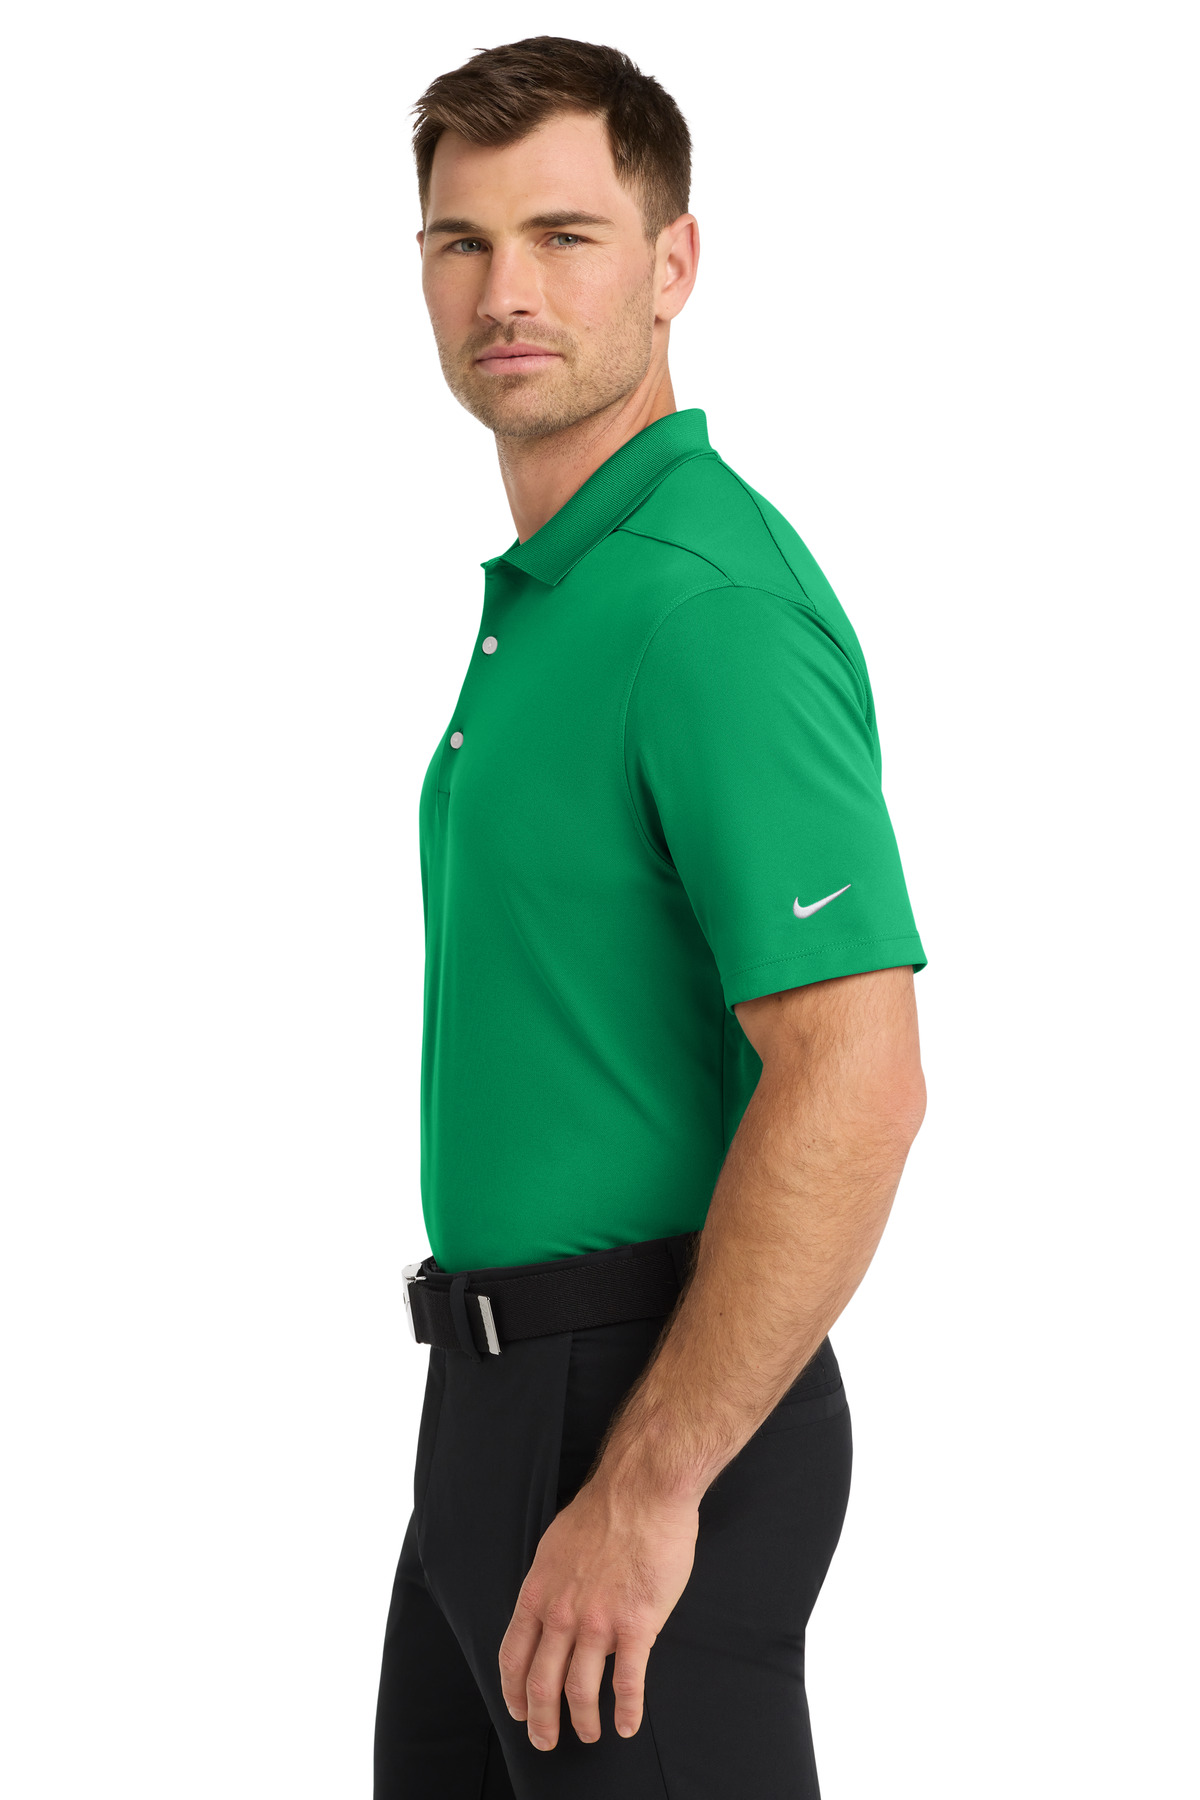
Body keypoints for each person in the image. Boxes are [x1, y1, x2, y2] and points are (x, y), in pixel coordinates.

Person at [374, 35, 927, 1800]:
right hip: (493, 1402)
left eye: (565, 236)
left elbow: (857, 1075)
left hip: (644, 1402)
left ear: (674, 263)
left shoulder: (705, 606)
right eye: (462, 242)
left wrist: (650, 1481)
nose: (506, 291)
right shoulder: (566, 593)